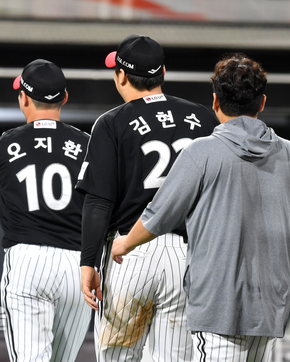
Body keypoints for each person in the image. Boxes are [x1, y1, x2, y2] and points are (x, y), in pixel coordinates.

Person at [111, 53, 290, 362]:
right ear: (261, 103)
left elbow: (159, 216)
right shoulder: (286, 153)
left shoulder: (202, 151)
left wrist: (124, 243)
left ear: (215, 102)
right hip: (270, 306)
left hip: (218, 306)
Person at [76, 34, 218, 361]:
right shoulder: (202, 118)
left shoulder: (111, 123)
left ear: (121, 75)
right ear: (162, 72)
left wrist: (88, 262)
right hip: (188, 255)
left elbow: (99, 201)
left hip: (129, 253)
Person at [0, 59, 91, 362]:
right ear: (64, 98)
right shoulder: (90, 145)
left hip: (28, 262)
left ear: (23, 98)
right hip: (78, 265)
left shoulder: (0, 145)